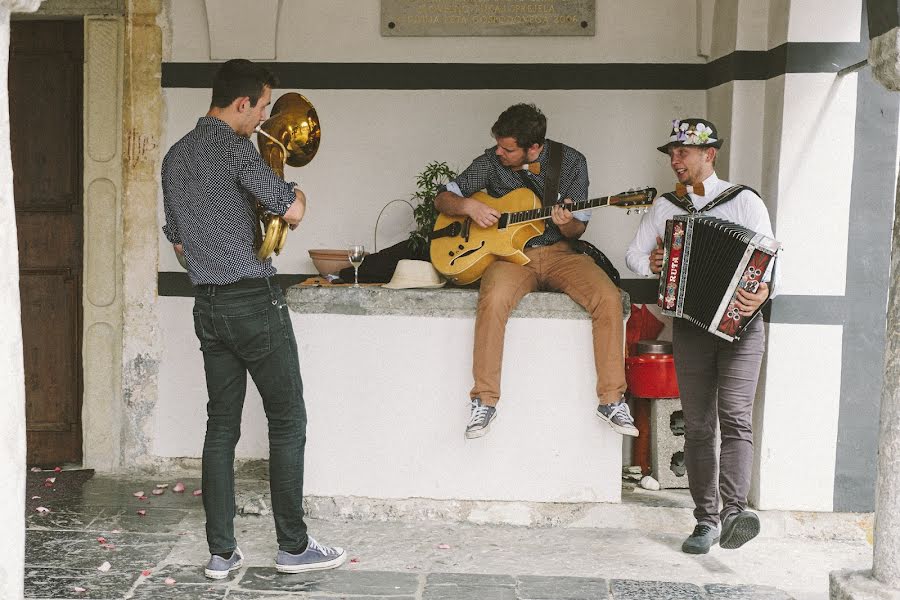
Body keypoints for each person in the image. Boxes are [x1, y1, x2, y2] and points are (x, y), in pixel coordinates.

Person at [161, 58, 345, 579]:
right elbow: (292, 210)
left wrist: (210, 254)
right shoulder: (233, 148)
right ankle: (294, 546)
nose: (264, 117)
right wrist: (300, 194)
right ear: (241, 104)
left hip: (208, 305)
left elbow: (177, 238)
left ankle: (221, 554)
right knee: (288, 421)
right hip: (253, 300)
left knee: (220, 426)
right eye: (263, 107)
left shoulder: (176, 156)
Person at [434, 103, 637, 440]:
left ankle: (612, 400)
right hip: (511, 259)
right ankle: (484, 400)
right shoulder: (489, 162)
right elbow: (442, 199)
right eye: (498, 144)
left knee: (607, 297)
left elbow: (576, 231)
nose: (499, 152)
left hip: (561, 254)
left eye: (507, 148)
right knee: (494, 297)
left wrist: (566, 221)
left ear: (534, 146)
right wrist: (467, 206)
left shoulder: (571, 163)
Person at [625, 118, 774, 555]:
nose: (675, 160)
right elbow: (634, 254)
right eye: (671, 153)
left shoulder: (744, 201)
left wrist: (764, 290)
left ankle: (733, 512)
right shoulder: (666, 207)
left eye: (683, 152)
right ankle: (705, 520)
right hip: (690, 326)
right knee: (698, 425)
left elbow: (770, 258)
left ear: (709, 155)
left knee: (735, 417)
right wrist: (650, 264)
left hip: (741, 327)